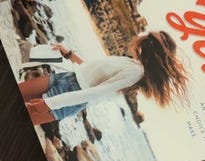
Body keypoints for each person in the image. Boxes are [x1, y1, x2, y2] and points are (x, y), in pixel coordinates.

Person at [18, 31, 189, 125]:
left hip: (72, 95)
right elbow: (90, 71)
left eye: (146, 39)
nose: (141, 37)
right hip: (68, 78)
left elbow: (95, 92)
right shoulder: (131, 62)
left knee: (15, 120)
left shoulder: (136, 72)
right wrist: (69, 54)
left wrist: (50, 103)